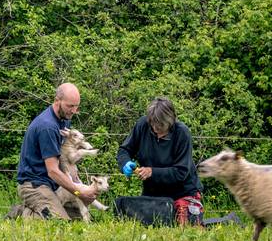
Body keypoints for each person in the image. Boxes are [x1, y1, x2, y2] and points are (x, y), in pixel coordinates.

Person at [12, 82, 99, 220]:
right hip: (34, 184)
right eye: (70, 106)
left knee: (83, 218)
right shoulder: (48, 127)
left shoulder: (64, 119)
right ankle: (22, 213)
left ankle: (42, 209)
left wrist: (78, 183)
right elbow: (52, 170)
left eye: (76, 106)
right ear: (57, 101)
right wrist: (79, 192)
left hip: (53, 183)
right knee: (59, 222)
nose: (74, 110)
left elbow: (65, 158)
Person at [116, 96, 204, 226]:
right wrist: (125, 163)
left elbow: (181, 172)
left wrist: (152, 172)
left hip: (183, 192)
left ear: (171, 121)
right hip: (154, 194)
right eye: (153, 125)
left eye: (161, 126)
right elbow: (124, 150)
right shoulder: (142, 125)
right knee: (140, 226)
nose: (156, 129)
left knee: (186, 230)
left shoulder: (182, 133)